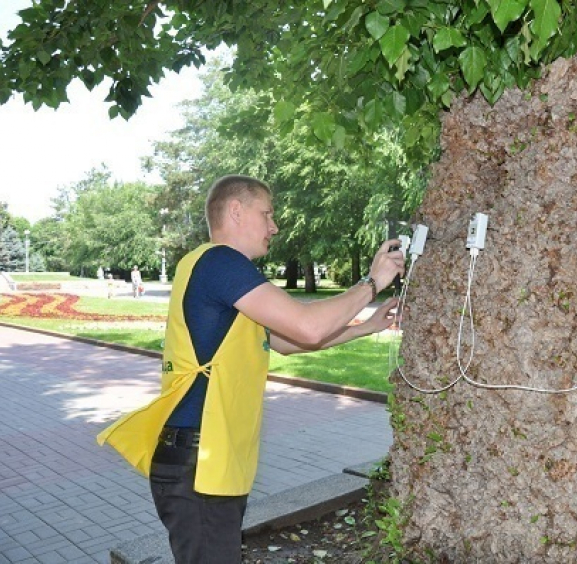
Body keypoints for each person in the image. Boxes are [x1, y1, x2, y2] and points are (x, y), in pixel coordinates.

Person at [97, 175, 404, 564]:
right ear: (236, 211)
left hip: (205, 462)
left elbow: (294, 341)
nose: (274, 226)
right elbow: (306, 324)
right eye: (268, 214)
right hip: (199, 465)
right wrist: (372, 281)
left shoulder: (218, 277)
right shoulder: (220, 261)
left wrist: (368, 326)